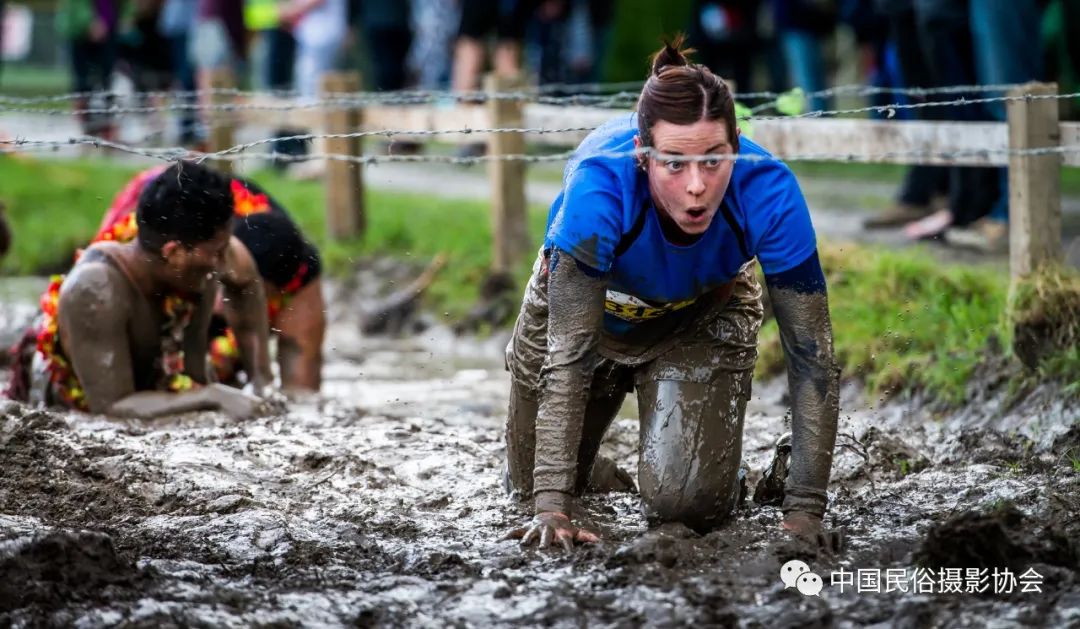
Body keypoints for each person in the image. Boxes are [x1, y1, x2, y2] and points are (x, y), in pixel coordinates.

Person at [502, 39, 840, 550]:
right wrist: (552, 506)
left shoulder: (769, 192)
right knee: (529, 487)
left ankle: (713, 463)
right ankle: (595, 468)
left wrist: (805, 511)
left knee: (686, 505)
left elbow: (812, 355)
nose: (697, 187)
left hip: (700, 315)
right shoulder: (600, 190)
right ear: (643, 157)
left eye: (713, 161)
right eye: (675, 164)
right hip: (584, 316)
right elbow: (568, 356)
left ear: (737, 146)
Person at [5, 162, 274, 418]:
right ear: (175, 253)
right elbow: (112, 407)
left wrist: (261, 379)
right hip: (75, 402)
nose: (227, 260)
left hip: (155, 382)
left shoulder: (201, 255)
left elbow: (246, 282)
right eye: (219, 252)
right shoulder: (96, 292)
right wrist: (213, 396)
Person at [91, 164, 326, 392]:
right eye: (211, 278)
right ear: (174, 253)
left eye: (226, 288)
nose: (214, 304)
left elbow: (302, 393)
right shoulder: (125, 253)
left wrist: (263, 384)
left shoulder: (295, 273)